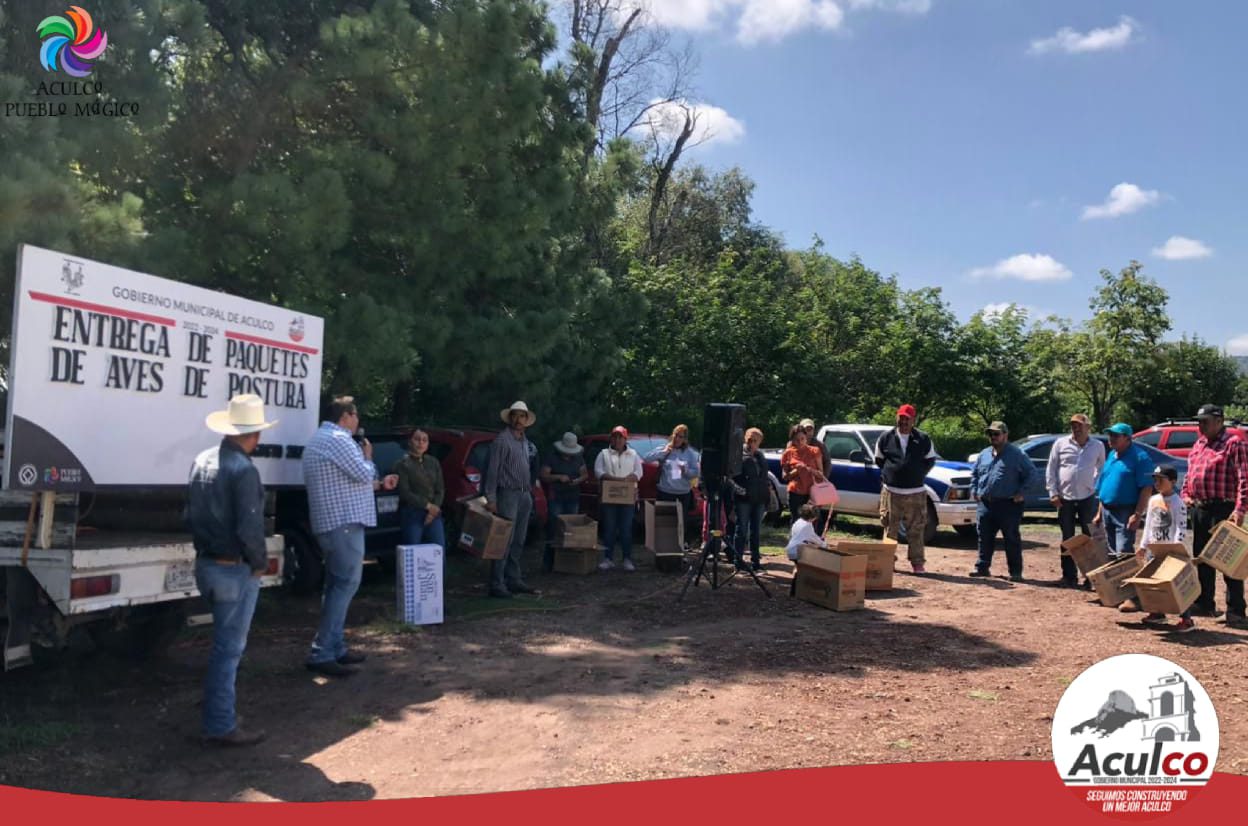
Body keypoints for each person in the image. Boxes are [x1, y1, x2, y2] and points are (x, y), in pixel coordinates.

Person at [188, 394, 275, 746]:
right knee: (228, 650)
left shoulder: (201, 460)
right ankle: (220, 723)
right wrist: (258, 564)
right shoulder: (244, 471)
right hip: (233, 570)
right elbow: (250, 529)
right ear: (252, 435)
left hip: (207, 563)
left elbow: (187, 513)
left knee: (221, 648)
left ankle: (218, 711)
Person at [303, 395, 399, 677]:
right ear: (346, 416)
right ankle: (322, 652)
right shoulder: (341, 439)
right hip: (343, 524)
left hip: (333, 523)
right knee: (345, 584)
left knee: (336, 586)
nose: (358, 421)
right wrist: (369, 458)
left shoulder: (321, 439)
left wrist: (379, 483)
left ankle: (335, 647)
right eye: (356, 416)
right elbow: (361, 470)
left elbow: (352, 480)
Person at [1182, 404, 1248, 624]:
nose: (1201, 426)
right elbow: (1189, 474)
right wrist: (1186, 495)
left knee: (1229, 560)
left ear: (1219, 422)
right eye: (1199, 421)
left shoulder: (1233, 443)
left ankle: (1236, 611)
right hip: (1200, 507)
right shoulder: (1199, 444)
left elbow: (1244, 479)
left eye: (1205, 421)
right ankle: (1204, 602)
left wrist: (1240, 509)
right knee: (1202, 558)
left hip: (1224, 508)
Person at [1119, 465, 1192, 631]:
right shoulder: (1153, 500)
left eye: (1161, 479)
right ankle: (1157, 613)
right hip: (1154, 549)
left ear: (1173, 481)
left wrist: (1176, 548)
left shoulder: (1177, 502)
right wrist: (1144, 545)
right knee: (1153, 582)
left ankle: (1186, 618)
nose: (1157, 483)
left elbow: (1181, 527)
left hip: (1171, 551)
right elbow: (1149, 526)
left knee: (1175, 584)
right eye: (1155, 479)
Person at [483, 401, 542, 598]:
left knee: (519, 539)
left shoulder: (525, 441)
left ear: (527, 420)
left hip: (524, 493)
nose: (518, 420)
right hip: (507, 493)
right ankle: (497, 583)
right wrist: (491, 498)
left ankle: (513, 579)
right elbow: (492, 471)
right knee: (503, 540)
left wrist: (531, 490)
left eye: (522, 416)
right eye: (515, 416)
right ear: (510, 418)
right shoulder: (501, 440)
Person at [874, 403, 937, 574]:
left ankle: (917, 563)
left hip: (915, 492)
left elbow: (930, 460)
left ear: (913, 420)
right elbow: (879, 460)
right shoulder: (886, 437)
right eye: (901, 418)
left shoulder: (923, 439)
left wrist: (916, 473)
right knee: (889, 528)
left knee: (916, 529)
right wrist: (893, 473)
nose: (903, 422)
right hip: (891, 492)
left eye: (907, 419)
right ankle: (888, 561)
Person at [968, 421, 1034, 582]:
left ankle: (1015, 572)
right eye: (991, 434)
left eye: (997, 434)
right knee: (984, 537)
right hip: (986, 503)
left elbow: (1031, 474)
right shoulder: (984, 454)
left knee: (1011, 538)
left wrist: (1021, 492)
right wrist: (974, 489)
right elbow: (975, 474)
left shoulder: (1017, 454)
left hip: (1008, 504)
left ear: (1005, 435)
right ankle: (982, 567)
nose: (993, 437)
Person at [1045, 413, 1106, 587]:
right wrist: (1053, 493)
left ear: (1088, 427)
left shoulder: (1097, 446)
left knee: (1089, 538)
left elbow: (1101, 468)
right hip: (1065, 498)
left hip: (1087, 498)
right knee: (1067, 538)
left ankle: (1090, 577)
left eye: (1080, 425)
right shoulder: (1060, 444)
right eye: (1073, 425)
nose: (1076, 428)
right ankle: (1068, 576)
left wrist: (1094, 486)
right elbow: (1051, 469)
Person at [1093, 423, 1154, 562]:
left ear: (1127, 438)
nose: (1111, 438)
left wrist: (1137, 514)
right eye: (1110, 435)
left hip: (1125, 512)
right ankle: (1114, 583)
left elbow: (1147, 488)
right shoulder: (1111, 455)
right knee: (1110, 552)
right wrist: (1099, 513)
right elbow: (1104, 486)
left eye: (1115, 435)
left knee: (1123, 552)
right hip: (1107, 511)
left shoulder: (1140, 457)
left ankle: (1126, 583)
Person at [595, 426, 644, 571]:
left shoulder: (634, 454)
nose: (617, 440)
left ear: (625, 439)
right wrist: (614, 479)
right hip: (609, 497)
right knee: (609, 528)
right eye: (614, 437)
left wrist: (628, 479)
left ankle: (627, 559)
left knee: (626, 529)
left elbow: (639, 472)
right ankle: (608, 558)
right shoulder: (603, 453)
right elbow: (598, 472)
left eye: (620, 437)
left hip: (627, 497)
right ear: (611, 438)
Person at [540, 432, 589, 571]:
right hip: (556, 496)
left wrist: (577, 480)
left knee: (570, 530)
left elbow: (584, 474)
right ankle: (548, 562)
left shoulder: (578, 457)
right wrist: (558, 477)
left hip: (573, 496)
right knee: (553, 529)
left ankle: (567, 562)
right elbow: (544, 475)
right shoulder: (552, 457)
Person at [392, 429, 446, 552]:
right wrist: (427, 506)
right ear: (410, 442)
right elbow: (405, 492)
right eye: (417, 439)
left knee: (438, 550)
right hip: (412, 513)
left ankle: (440, 572)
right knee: (413, 551)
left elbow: (440, 488)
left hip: (433, 514)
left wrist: (434, 509)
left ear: (427, 444)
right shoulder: (402, 464)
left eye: (424, 440)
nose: (421, 443)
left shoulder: (433, 462)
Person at [644, 424, 700, 530]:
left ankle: (680, 545)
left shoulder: (689, 453)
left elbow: (696, 472)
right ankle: (664, 546)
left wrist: (686, 471)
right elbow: (646, 458)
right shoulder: (665, 448)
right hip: (665, 493)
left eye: (681, 437)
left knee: (680, 525)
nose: (677, 438)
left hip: (682, 494)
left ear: (685, 439)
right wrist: (663, 452)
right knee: (664, 525)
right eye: (676, 435)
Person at [732, 427, 771, 571]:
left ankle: (756, 562)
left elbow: (764, 477)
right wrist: (740, 491)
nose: (751, 443)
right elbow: (731, 477)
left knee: (756, 531)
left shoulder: (761, 457)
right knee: (741, 530)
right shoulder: (738, 455)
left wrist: (767, 495)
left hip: (759, 499)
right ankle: (738, 561)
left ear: (760, 442)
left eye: (755, 440)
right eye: (749, 439)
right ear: (745, 439)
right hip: (744, 500)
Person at [781, 425, 825, 527]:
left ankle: (815, 542)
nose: (800, 442)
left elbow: (820, 474)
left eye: (802, 439)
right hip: (796, 492)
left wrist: (808, 469)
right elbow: (784, 476)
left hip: (812, 492)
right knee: (797, 521)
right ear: (792, 440)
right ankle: (796, 542)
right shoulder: (788, 453)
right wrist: (797, 470)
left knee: (814, 521)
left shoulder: (815, 451)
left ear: (806, 438)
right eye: (797, 440)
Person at [785, 503, 828, 596]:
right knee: (804, 570)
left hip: (791, 549)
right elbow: (814, 538)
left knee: (800, 569)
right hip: (797, 551)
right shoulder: (808, 525)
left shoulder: (798, 522)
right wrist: (824, 544)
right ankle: (796, 591)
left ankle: (795, 591)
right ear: (813, 517)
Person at [800, 418, 832, 533]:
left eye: (810, 429)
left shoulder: (819, 445)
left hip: (816, 485)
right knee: (800, 514)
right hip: (800, 485)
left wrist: (823, 479)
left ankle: (817, 537)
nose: (808, 431)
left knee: (815, 512)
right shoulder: (794, 444)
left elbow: (827, 462)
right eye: (805, 429)